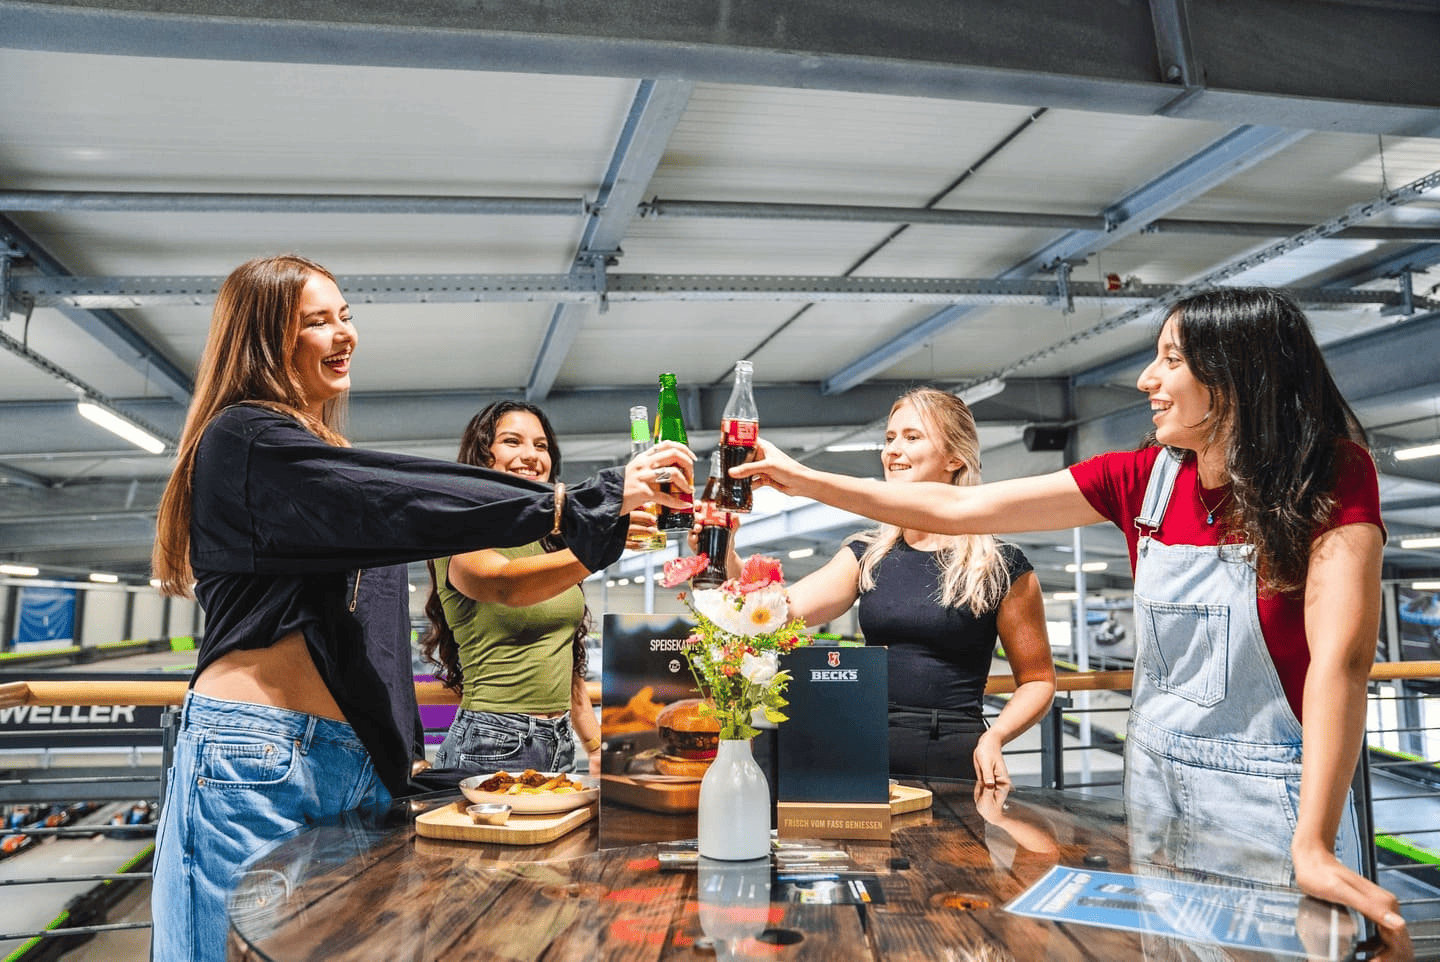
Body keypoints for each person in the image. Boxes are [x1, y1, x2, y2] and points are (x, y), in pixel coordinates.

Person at [731, 288, 1410, 956]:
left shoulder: (1331, 475)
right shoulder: (1142, 479)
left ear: (1236, 375)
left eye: (1171, 359)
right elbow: (960, 509)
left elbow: (1341, 663)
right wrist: (802, 481)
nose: (1146, 379)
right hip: (1152, 783)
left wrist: (1313, 842)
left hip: (1268, 798)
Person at [148, 254, 692, 962]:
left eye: (346, 316)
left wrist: (399, 750)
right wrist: (583, 502)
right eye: (317, 321)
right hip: (258, 753)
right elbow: (403, 496)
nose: (344, 333)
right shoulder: (244, 439)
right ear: (263, 337)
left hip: (346, 758)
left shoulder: (317, 452)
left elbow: (370, 637)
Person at [716, 388, 1055, 784]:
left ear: (955, 458)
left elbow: (1038, 681)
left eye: (912, 437)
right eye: (890, 438)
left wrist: (995, 737)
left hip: (952, 752)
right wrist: (726, 552)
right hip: (864, 743)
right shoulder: (868, 554)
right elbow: (779, 610)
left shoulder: (1000, 566)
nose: (893, 450)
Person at [420, 400, 631, 777]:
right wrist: (600, 544)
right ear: (483, 455)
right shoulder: (460, 532)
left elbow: (565, 658)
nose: (532, 455)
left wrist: (594, 744)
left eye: (541, 445)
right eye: (512, 441)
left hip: (559, 741)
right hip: (492, 741)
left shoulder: (550, 543)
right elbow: (505, 584)